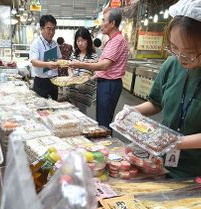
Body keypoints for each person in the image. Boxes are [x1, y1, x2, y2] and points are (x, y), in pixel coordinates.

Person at [118, 0, 201, 178]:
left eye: (189, 51)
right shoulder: (171, 65)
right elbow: (155, 103)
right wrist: (133, 111)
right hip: (162, 163)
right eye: (173, 48)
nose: (180, 57)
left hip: (196, 172)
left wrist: (177, 142)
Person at [69, 8, 128, 129]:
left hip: (109, 84)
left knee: (104, 120)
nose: (101, 24)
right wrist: (94, 76)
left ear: (112, 23)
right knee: (102, 117)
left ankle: (106, 145)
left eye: (104, 20)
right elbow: (105, 66)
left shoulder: (117, 41)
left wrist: (80, 64)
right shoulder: (112, 40)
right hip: (106, 82)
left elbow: (105, 65)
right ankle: (104, 143)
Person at [66, 27, 98, 115]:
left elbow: (98, 73)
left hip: (84, 92)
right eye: (78, 41)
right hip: (72, 90)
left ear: (88, 40)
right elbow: (69, 68)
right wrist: (71, 75)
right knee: (71, 114)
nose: (80, 43)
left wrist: (89, 78)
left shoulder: (93, 56)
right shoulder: (74, 54)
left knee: (82, 115)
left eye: (83, 40)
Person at [29, 15, 62, 100]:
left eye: (53, 29)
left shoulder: (55, 44)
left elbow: (59, 58)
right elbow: (34, 62)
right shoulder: (36, 43)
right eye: (49, 29)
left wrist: (59, 62)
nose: (51, 32)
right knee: (41, 109)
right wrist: (48, 64)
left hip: (54, 81)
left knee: (54, 108)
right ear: (41, 29)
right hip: (41, 82)